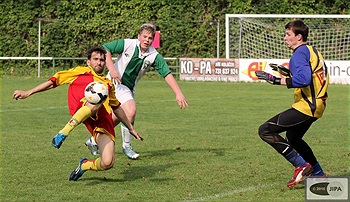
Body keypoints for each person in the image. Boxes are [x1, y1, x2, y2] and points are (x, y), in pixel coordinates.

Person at [13, 46, 143, 181]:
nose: (99, 62)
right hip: (82, 107)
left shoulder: (107, 84)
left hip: (100, 120)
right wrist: (27, 92)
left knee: (107, 162)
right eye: (95, 59)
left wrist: (130, 127)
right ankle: (63, 132)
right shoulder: (79, 72)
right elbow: (52, 82)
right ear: (88, 62)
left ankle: (84, 165)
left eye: (102, 60)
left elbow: (116, 107)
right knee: (95, 100)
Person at [84, 23, 188, 159]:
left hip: (128, 88)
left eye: (150, 38)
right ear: (139, 36)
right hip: (113, 83)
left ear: (153, 40)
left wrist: (178, 93)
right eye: (144, 36)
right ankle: (127, 146)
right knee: (130, 111)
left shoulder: (154, 55)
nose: (147, 40)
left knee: (124, 115)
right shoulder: (128, 44)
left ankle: (94, 140)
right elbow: (105, 49)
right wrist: (113, 69)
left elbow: (166, 73)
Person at [254, 20, 329, 187]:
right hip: (318, 104)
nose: (285, 38)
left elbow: (304, 79)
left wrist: (275, 80)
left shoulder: (299, 53)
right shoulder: (311, 50)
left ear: (299, 36)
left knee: (265, 130)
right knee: (293, 137)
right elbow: (310, 77)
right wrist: (288, 73)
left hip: (307, 106)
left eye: (288, 34)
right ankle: (317, 172)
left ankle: (301, 165)